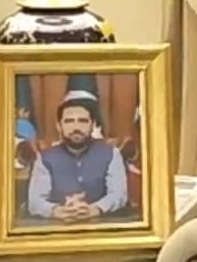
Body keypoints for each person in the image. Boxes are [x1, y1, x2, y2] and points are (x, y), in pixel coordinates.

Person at [26, 91, 129, 222]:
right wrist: (58, 211)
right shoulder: (45, 158)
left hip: (102, 226)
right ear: (59, 126)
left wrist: (95, 209)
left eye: (83, 121)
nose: (76, 127)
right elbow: (35, 202)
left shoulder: (111, 154)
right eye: (69, 121)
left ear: (93, 125)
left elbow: (119, 195)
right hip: (57, 227)